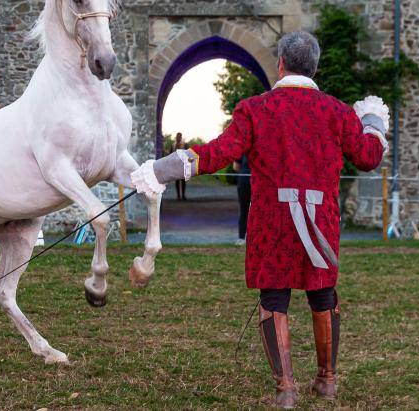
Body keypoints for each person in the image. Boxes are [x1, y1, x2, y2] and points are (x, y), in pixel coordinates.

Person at [131, 31, 388, 409]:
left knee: (275, 297)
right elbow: (368, 156)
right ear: (314, 67)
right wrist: (373, 122)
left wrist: (164, 168)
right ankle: (327, 381)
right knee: (322, 294)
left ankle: (286, 389)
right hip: (321, 219)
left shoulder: (255, 109)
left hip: (273, 220)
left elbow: (218, 153)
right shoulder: (337, 112)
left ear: (280, 64)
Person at [232, 155, 250, 244]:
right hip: (260, 181)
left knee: (244, 210)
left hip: (244, 180)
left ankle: (241, 238)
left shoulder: (243, 148)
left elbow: (235, 167)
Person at [171, 132, 187, 200]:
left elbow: (188, 153)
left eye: (180, 136)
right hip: (176, 165)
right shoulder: (173, 145)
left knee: (183, 181)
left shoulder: (184, 145)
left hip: (183, 165)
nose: (178, 138)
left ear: (181, 137)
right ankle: (178, 196)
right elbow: (170, 154)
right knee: (177, 181)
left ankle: (183, 195)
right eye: (177, 136)